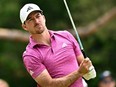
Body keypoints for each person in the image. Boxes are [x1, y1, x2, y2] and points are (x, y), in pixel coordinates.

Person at [20, 3, 94, 87]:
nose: (36, 21)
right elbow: (49, 85)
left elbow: (84, 67)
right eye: (30, 19)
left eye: (38, 16)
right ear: (25, 26)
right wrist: (79, 73)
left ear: (43, 18)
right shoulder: (30, 55)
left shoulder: (66, 35)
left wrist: (88, 69)